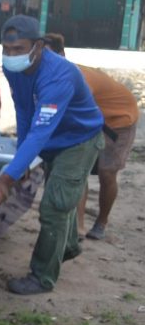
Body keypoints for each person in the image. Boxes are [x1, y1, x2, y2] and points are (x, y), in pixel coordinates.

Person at [0, 16, 104, 296]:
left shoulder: (60, 74)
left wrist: (6, 179)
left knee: (54, 206)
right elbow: (24, 112)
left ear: (38, 46)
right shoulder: (14, 69)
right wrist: (20, 160)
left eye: (18, 49)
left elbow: (40, 130)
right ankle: (68, 246)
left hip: (78, 140)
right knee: (61, 201)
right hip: (52, 140)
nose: (11, 56)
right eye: (6, 49)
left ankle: (42, 277)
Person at [43, 33, 140, 241]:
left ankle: (101, 222)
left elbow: (68, 113)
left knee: (107, 172)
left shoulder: (79, 77)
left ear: (62, 55)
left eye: (49, 56)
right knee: (78, 169)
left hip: (118, 121)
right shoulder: (46, 77)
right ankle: (78, 226)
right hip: (90, 120)